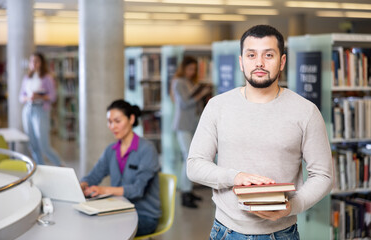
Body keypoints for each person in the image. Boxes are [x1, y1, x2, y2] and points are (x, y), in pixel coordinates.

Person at [187, 25, 333, 239]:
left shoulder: (306, 111)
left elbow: (324, 175)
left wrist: (291, 206)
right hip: (225, 231)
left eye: (269, 55)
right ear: (241, 61)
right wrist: (235, 177)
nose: (259, 63)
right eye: (251, 54)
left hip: (281, 233)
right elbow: (194, 165)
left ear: (282, 61)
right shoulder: (217, 106)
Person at [80, 99, 161, 236]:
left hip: (144, 215)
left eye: (117, 121)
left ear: (131, 119)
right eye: (109, 122)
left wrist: (102, 190)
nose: (112, 126)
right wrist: (82, 185)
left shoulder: (147, 149)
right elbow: (94, 176)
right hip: (118, 210)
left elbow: (137, 189)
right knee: (87, 225)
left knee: (104, 232)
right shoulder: (110, 151)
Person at [171, 56, 211, 208]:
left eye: (194, 69)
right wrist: (201, 94)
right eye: (189, 69)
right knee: (188, 158)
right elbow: (185, 103)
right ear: (183, 68)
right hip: (183, 125)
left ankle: (189, 191)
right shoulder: (178, 82)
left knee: (193, 157)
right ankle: (185, 194)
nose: (191, 72)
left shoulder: (190, 82)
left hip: (193, 124)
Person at [19, 52, 63, 166]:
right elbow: (21, 97)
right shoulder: (27, 78)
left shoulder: (47, 78)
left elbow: (53, 97)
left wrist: (39, 96)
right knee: (32, 144)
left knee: (44, 145)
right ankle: (40, 168)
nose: (33, 64)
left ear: (41, 63)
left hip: (41, 110)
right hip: (28, 109)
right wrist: (29, 97)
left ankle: (61, 166)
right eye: (31, 61)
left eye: (36, 61)